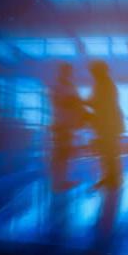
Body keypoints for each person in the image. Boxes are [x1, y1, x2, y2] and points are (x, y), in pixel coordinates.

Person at [48, 62, 86, 191]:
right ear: (64, 72)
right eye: (69, 71)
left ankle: (60, 181)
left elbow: (70, 102)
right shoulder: (61, 86)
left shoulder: (64, 86)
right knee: (61, 154)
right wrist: (76, 102)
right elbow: (64, 102)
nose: (71, 74)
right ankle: (58, 183)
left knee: (63, 154)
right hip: (62, 124)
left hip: (65, 124)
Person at [87, 60, 124, 189]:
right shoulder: (104, 83)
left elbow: (99, 104)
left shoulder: (104, 84)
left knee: (109, 152)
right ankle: (111, 178)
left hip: (108, 124)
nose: (93, 74)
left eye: (94, 71)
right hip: (108, 123)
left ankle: (113, 179)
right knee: (108, 152)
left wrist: (80, 102)